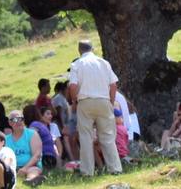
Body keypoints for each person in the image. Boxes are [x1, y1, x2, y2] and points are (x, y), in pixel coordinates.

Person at [68, 39, 122, 177]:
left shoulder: (77, 64)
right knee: (108, 136)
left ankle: (87, 171)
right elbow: (113, 84)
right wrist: (111, 100)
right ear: (92, 49)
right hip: (103, 100)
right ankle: (115, 168)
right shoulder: (104, 63)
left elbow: (73, 86)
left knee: (86, 137)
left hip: (85, 101)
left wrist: (75, 101)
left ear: (79, 50)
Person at [26, 104, 57, 173]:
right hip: (51, 158)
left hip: (45, 158)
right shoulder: (40, 125)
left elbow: (30, 140)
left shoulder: (34, 125)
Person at [51, 81, 77, 161]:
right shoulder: (59, 98)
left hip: (65, 124)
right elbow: (59, 113)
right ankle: (72, 158)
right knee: (67, 138)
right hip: (61, 125)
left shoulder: (63, 98)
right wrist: (63, 126)